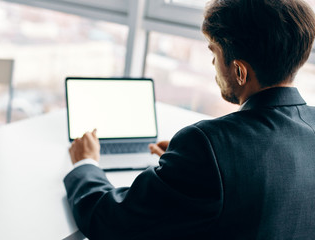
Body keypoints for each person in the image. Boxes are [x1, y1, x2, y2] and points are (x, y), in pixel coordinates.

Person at [64, 0, 315, 239]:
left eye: (214, 52)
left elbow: (110, 222)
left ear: (239, 71)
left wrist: (85, 163)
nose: (213, 63)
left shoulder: (205, 146)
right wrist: (182, 168)